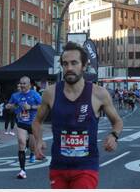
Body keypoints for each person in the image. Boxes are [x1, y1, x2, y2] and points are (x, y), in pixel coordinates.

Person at [32, 42, 123, 189]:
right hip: (58, 166)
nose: (69, 68)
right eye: (65, 64)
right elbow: (37, 121)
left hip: (86, 167)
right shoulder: (51, 93)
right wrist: (39, 140)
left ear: (84, 66)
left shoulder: (98, 93)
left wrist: (114, 135)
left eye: (74, 63)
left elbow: (117, 121)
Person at [5, 76, 42, 179]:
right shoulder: (15, 95)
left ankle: (32, 153)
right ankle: (22, 170)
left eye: (24, 83)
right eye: (21, 83)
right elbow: (9, 105)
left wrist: (31, 107)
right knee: (21, 142)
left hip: (33, 124)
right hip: (21, 122)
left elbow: (42, 106)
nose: (22, 85)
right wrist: (9, 106)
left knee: (32, 146)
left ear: (29, 85)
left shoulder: (35, 94)